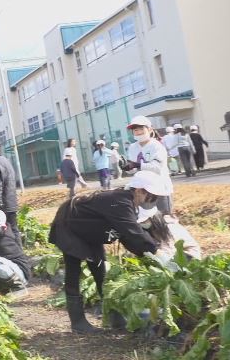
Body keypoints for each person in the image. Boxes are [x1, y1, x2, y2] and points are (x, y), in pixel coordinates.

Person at [48, 171, 168, 333]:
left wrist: (145, 254)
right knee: (73, 272)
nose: (151, 201)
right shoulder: (120, 202)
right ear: (140, 191)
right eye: (151, 197)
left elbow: (126, 236)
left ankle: (115, 319)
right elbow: (134, 232)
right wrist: (156, 251)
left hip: (90, 233)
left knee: (101, 273)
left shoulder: (129, 204)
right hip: (69, 227)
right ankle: (78, 322)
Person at [122, 116, 174, 214]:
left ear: (149, 129)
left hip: (160, 187)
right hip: (142, 190)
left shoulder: (156, 146)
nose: (138, 132)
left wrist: (137, 165)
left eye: (141, 129)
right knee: (145, 219)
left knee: (165, 217)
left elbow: (157, 167)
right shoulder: (133, 147)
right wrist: (127, 167)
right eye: (135, 130)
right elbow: (133, 170)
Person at [137, 207, 201, 263]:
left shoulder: (169, 228)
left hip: (188, 258)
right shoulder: (150, 229)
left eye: (144, 221)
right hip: (174, 257)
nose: (143, 224)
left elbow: (168, 251)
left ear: (152, 218)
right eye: (141, 222)